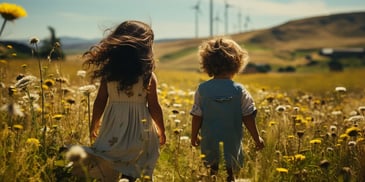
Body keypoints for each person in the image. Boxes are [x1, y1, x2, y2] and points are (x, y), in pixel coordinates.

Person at [71, 20, 166, 182]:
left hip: (113, 123)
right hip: (139, 126)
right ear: (144, 48)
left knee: (109, 156)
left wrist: (95, 122)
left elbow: (100, 100)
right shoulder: (147, 75)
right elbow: (154, 106)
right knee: (136, 161)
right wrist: (161, 129)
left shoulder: (109, 74)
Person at [190, 37, 264, 182]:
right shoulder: (239, 90)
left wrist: (193, 136)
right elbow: (248, 116)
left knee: (212, 172)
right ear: (237, 63)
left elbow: (197, 116)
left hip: (209, 141)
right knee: (232, 174)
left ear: (206, 63)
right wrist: (257, 138)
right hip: (232, 141)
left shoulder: (202, 89)